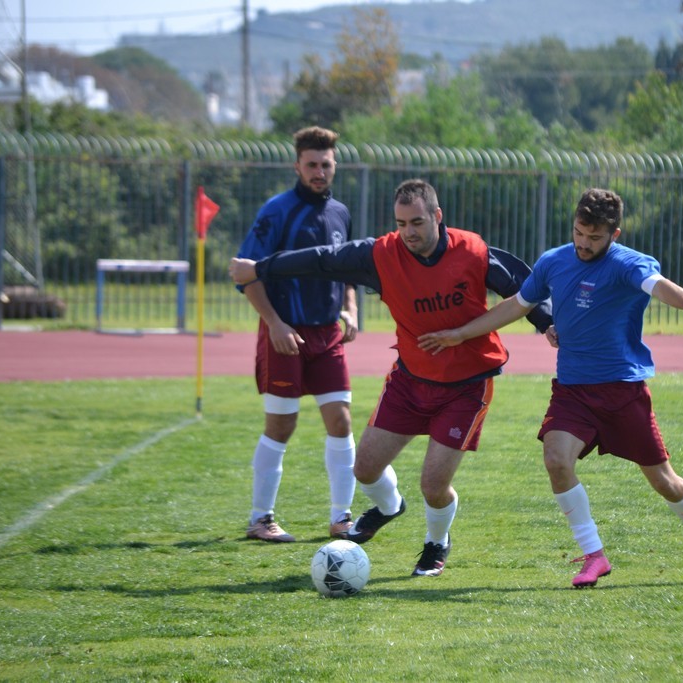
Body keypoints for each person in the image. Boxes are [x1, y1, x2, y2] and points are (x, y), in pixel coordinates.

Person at [418, 187, 683, 588]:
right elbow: (516, 305)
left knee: (665, 481)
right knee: (556, 460)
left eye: (595, 237)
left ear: (615, 234)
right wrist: (460, 334)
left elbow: (658, 285)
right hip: (573, 391)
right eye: (579, 232)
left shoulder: (627, 263)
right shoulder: (553, 261)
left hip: (623, 391)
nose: (584, 243)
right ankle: (594, 555)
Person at [230, 178, 553, 576]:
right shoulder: (380, 255)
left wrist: (547, 322)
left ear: (437, 216)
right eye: (401, 224)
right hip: (410, 380)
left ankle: (436, 543)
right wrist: (261, 268)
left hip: (466, 385)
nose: (408, 232)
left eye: (417, 222)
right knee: (364, 468)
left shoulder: (472, 250)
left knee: (433, 485)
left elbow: (522, 285)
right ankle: (389, 506)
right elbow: (322, 259)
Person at [235, 125, 359, 544]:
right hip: (284, 333)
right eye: (311, 165)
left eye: (326, 164)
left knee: (341, 420)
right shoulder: (277, 211)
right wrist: (275, 323)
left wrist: (350, 308)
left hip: (327, 335)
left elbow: (347, 268)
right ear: (297, 166)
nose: (319, 172)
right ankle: (260, 519)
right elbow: (246, 273)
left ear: (334, 165)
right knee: (281, 424)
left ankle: (342, 518)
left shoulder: (340, 212)